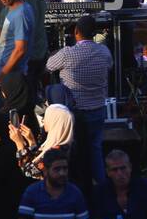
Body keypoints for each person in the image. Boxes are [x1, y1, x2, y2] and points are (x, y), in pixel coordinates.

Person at [45, 16, 113, 188]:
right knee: (95, 150)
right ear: (95, 33)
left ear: (76, 32)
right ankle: (101, 186)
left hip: (74, 113)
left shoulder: (67, 54)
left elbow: (49, 65)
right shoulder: (104, 52)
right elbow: (109, 66)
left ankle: (75, 186)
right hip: (98, 109)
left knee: (73, 152)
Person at [17, 149, 90, 219]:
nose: (62, 173)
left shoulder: (75, 193)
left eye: (65, 168)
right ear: (45, 171)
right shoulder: (32, 192)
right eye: (57, 169)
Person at [92, 150, 147, 219]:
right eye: (114, 170)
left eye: (123, 168)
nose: (120, 173)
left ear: (130, 167)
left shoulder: (146, 187)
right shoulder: (100, 191)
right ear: (108, 172)